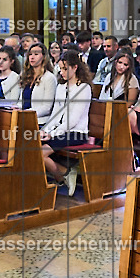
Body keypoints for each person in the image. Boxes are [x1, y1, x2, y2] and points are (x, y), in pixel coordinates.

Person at [40, 50, 93, 196]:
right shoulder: (61, 87)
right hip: (61, 130)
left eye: (65, 68)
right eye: (60, 68)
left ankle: (62, 176)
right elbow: (55, 114)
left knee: (41, 153)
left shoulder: (83, 88)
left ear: (75, 67)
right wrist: (45, 130)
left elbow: (73, 120)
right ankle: (65, 172)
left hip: (77, 133)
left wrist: (52, 134)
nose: (62, 72)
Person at [19, 42, 58, 124]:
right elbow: (21, 101)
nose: (32, 57)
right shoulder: (26, 75)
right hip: (23, 118)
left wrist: (26, 113)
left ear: (43, 57)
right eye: (30, 54)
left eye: (36, 54)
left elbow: (47, 108)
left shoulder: (49, 78)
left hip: (40, 122)